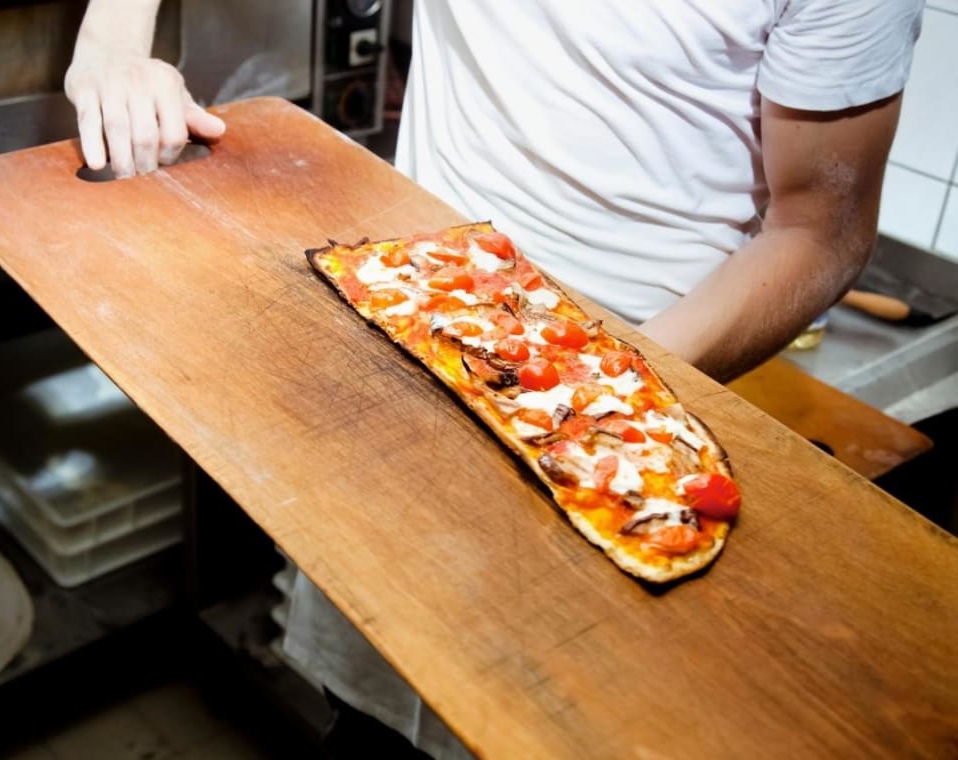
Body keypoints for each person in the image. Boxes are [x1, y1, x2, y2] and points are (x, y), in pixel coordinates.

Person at [67, 1, 923, 757]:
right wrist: (114, 34)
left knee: (549, 725)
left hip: (625, 420)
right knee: (370, 715)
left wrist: (593, 392)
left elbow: (820, 227)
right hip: (402, 356)